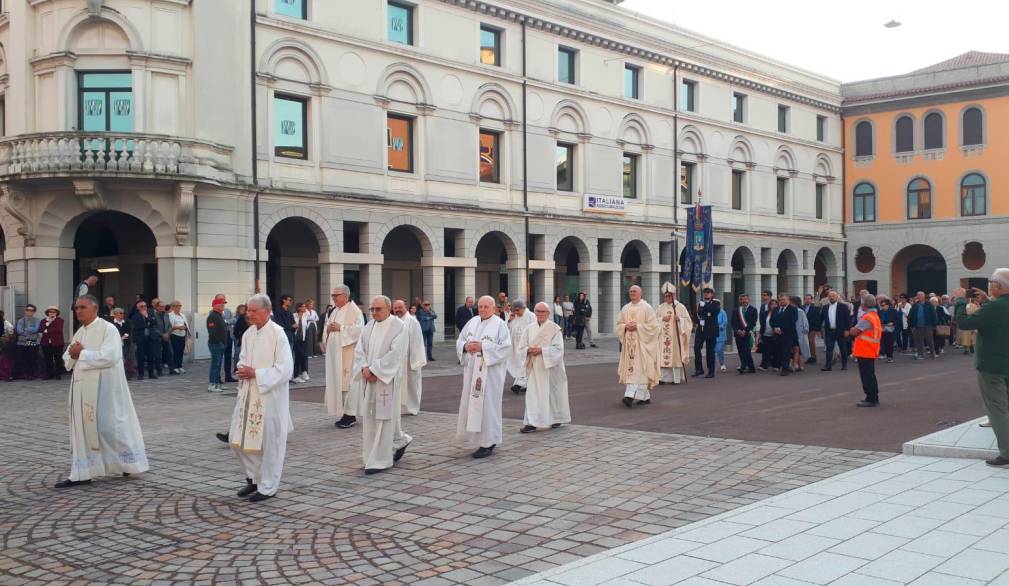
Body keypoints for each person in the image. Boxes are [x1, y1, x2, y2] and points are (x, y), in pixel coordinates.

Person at [55, 295, 148, 488]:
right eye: (76, 308)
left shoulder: (108, 329)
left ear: (95, 308)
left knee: (109, 427)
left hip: (105, 389)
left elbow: (111, 357)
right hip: (82, 388)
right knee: (83, 429)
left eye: (82, 307)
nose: (78, 311)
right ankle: (82, 472)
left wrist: (81, 354)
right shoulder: (80, 332)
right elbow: (68, 357)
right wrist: (75, 355)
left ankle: (127, 462)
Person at [230, 294, 294, 502]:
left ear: (266, 311)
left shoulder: (278, 334)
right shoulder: (249, 333)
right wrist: (241, 369)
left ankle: (268, 486)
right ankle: (254, 478)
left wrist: (256, 373)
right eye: (248, 310)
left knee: (269, 443)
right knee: (237, 440)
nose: (249, 314)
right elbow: (242, 358)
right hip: (248, 393)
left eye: (253, 311)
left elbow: (285, 369)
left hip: (270, 397)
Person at [351, 296, 412, 474]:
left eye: (378, 309)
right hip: (369, 379)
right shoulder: (368, 326)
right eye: (372, 309)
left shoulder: (399, 327)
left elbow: (396, 354)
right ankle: (381, 449)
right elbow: (359, 350)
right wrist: (364, 368)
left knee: (384, 419)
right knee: (371, 418)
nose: (375, 312)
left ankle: (381, 460)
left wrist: (375, 370)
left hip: (387, 380)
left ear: (389, 309)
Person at [953, 272, 1009, 467]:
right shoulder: (995, 306)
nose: (989, 286)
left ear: (999, 287)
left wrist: (960, 301)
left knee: (997, 409)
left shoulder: (994, 307)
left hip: (992, 365)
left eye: (991, 283)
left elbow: (964, 323)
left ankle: (1007, 453)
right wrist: (988, 302)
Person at [456, 295, 512, 458]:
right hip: (472, 372)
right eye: (480, 306)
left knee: (488, 407)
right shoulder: (472, 321)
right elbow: (460, 340)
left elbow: (506, 348)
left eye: (486, 307)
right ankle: (476, 438)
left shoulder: (500, 325)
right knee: (471, 403)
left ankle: (489, 441)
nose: (482, 309)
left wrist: (483, 347)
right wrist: (466, 346)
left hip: (490, 374)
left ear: (494, 308)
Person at [519, 302, 571, 433]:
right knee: (532, 395)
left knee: (552, 394)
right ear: (535, 313)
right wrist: (528, 350)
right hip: (534, 368)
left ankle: (555, 418)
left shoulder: (554, 329)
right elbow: (521, 347)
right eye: (538, 311)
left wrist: (542, 350)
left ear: (548, 313)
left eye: (543, 312)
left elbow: (559, 349)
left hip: (550, 368)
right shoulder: (529, 328)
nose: (540, 314)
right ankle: (531, 422)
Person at [323, 285, 365, 429]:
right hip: (335, 355)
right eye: (333, 295)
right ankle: (343, 412)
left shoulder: (355, 311)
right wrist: (328, 329)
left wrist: (340, 328)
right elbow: (327, 327)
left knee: (349, 384)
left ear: (345, 296)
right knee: (339, 383)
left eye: (336, 295)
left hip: (348, 354)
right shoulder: (334, 311)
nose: (333, 298)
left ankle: (350, 414)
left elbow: (360, 331)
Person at [616, 285, 659, 407]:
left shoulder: (647, 308)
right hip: (629, 346)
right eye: (630, 291)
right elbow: (619, 324)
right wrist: (625, 327)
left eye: (634, 291)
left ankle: (629, 396)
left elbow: (654, 326)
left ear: (640, 293)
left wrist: (638, 327)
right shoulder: (625, 308)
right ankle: (644, 396)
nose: (632, 293)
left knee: (639, 369)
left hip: (642, 345)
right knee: (636, 370)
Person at [393, 299, 427, 416]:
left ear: (405, 307)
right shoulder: (394, 321)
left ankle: (412, 408)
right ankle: (401, 407)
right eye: (395, 308)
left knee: (412, 384)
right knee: (399, 384)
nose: (397, 310)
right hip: (398, 359)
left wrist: (415, 361)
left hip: (410, 359)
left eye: (400, 307)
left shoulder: (412, 321)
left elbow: (417, 341)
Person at [849, 294, 882, 407]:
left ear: (863, 305)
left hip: (865, 350)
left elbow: (854, 331)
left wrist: (851, 329)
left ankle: (871, 398)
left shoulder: (867, 317)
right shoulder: (874, 316)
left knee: (866, 376)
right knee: (870, 375)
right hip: (871, 349)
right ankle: (873, 397)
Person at [656, 283, 692, 384]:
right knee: (663, 358)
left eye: (669, 296)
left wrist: (680, 320)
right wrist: (662, 319)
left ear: (673, 295)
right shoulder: (660, 307)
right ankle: (662, 378)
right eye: (665, 296)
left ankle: (675, 379)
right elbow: (654, 321)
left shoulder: (680, 307)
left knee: (675, 358)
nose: (667, 298)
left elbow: (688, 322)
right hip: (663, 338)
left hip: (676, 338)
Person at [506, 301, 536, 394]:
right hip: (515, 344)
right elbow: (505, 328)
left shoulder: (531, 316)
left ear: (523, 308)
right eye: (514, 310)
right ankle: (526, 384)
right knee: (518, 364)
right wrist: (509, 320)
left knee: (524, 364)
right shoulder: (513, 316)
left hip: (526, 345)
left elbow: (535, 329)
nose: (516, 312)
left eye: (517, 310)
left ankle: (518, 384)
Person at [692, 288, 721, 379]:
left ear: (712, 294)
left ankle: (711, 371)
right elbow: (695, 315)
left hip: (710, 329)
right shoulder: (699, 304)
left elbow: (715, 312)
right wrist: (699, 321)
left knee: (710, 351)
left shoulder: (716, 303)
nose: (706, 294)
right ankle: (699, 369)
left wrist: (705, 306)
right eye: (705, 293)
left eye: (708, 293)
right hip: (701, 329)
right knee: (696, 348)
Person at [821, 290, 852, 371]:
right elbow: (821, 319)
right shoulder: (825, 307)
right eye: (830, 296)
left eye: (833, 296)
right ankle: (828, 366)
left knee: (843, 348)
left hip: (841, 331)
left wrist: (847, 330)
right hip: (829, 331)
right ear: (828, 298)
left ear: (836, 297)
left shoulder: (843, 306)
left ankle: (844, 365)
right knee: (829, 349)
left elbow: (847, 319)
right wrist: (818, 329)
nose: (831, 298)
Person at [130, 299, 161, 380]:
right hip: (141, 339)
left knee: (151, 356)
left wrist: (147, 318)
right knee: (141, 357)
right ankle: (141, 374)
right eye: (141, 306)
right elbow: (138, 326)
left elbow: (154, 323)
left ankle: (151, 373)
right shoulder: (135, 316)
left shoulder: (150, 314)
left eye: (145, 306)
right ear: (138, 308)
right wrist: (148, 323)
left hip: (150, 338)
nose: (144, 307)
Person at [12, 304, 42, 381]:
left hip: (31, 340)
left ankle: (30, 374)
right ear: (25, 311)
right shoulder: (21, 320)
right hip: (22, 341)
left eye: (31, 310)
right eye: (27, 310)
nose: (29, 312)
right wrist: (30, 330)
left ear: (34, 311)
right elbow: (19, 331)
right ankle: (19, 374)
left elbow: (36, 329)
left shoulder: (37, 320)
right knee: (20, 357)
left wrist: (27, 329)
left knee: (31, 357)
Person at [771, 294, 798, 376]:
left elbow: (792, 321)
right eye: (780, 300)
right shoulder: (776, 309)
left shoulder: (793, 309)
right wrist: (775, 328)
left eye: (783, 299)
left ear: (788, 300)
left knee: (786, 351)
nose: (782, 301)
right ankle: (784, 365)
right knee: (779, 351)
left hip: (788, 334)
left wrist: (781, 329)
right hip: (777, 334)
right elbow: (772, 320)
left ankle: (785, 368)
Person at [206, 295, 229, 392]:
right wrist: (219, 342)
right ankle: (212, 384)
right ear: (215, 305)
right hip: (215, 344)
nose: (223, 305)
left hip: (221, 344)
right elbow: (212, 332)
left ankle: (217, 383)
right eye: (221, 304)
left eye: (223, 304)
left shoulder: (219, 315)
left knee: (218, 364)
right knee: (215, 364)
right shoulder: (212, 316)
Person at [732, 293, 758, 374]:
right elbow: (733, 322)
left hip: (748, 334)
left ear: (748, 300)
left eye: (745, 299)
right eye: (742, 300)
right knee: (740, 351)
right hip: (738, 334)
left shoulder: (753, 309)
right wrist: (737, 330)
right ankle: (751, 367)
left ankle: (743, 367)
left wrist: (745, 330)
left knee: (746, 350)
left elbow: (753, 322)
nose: (744, 301)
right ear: (740, 301)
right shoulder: (736, 310)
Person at [909, 291, 937, 360]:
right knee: (918, 341)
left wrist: (934, 325)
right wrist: (911, 325)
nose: (919, 297)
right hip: (917, 326)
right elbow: (910, 316)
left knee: (929, 340)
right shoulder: (915, 305)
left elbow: (933, 315)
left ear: (924, 296)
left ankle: (932, 353)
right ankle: (920, 354)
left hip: (928, 325)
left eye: (921, 295)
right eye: (918, 295)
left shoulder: (929, 305)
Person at [40, 306, 66, 380]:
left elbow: (58, 329)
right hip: (46, 343)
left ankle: (58, 374)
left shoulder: (60, 320)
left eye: (54, 312)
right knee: (48, 359)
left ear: (56, 313)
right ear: (47, 313)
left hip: (57, 343)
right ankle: (49, 374)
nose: (52, 313)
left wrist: (47, 330)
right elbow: (41, 329)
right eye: (50, 311)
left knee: (58, 359)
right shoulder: (43, 321)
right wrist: (47, 328)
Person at [152, 299, 174, 374]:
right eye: (161, 306)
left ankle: (171, 370)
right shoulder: (153, 315)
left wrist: (167, 333)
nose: (163, 308)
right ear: (157, 307)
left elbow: (170, 326)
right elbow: (154, 327)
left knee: (170, 353)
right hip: (158, 337)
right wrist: (162, 335)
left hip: (167, 337)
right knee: (158, 355)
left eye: (164, 306)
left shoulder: (166, 314)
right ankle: (159, 371)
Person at [110, 308, 132, 378]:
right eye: (120, 313)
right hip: (115, 344)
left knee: (125, 359)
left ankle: (125, 374)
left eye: (123, 313)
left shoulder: (127, 322)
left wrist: (124, 336)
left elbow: (129, 331)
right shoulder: (111, 323)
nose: (122, 315)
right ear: (115, 314)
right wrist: (119, 338)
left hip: (125, 343)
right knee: (117, 359)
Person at [167, 301, 188, 374]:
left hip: (182, 334)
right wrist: (178, 327)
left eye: (180, 306)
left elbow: (185, 323)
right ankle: (175, 367)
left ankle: (180, 366)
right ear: (172, 307)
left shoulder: (182, 314)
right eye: (177, 306)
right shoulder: (170, 315)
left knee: (181, 351)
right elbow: (169, 326)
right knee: (175, 351)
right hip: (174, 335)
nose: (179, 307)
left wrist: (185, 327)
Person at [291, 302, 309, 383]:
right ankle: (300, 373)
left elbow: (305, 328)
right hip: (295, 339)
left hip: (303, 339)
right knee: (302, 356)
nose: (305, 308)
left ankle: (301, 373)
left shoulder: (305, 316)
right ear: (299, 308)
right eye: (303, 306)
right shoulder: (293, 316)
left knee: (300, 357)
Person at [878, 298, 900, 363]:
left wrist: (892, 323)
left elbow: (898, 320)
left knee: (889, 343)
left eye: (884, 305)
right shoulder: (880, 312)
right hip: (882, 328)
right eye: (881, 305)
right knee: (882, 343)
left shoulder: (893, 311)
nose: (883, 306)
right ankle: (883, 354)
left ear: (888, 305)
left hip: (890, 329)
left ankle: (890, 357)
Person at [757, 290, 775, 371]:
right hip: (765, 330)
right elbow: (761, 319)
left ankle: (772, 363)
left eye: (765, 295)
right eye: (762, 295)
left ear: (769, 296)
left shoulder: (774, 306)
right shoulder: (762, 306)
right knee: (765, 348)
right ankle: (765, 363)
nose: (763, 297)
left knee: (773, 348)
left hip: (774, 331)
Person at [792, 295, 810, 371]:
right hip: (793, 332)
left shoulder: (800, 311)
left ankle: (795, 364)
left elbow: (805, 322)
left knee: (797, 349)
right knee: (796, 349)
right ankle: (800, 365)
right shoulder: (790, 311)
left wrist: (805, 331)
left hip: (800, 333)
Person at [802, 294, 821, 364]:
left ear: (811, 300)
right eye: (806, 299)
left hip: (812, 327)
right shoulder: (802, 307)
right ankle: (808, 357)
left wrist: (817, 329)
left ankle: (813, 357)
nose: (807, 300)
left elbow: (817, 318)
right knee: (806, 343)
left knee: (811, 341)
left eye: (808, 299)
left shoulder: (815, 308)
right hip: (804, 328)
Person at [715, 305, 728, 372]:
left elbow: (725, 321)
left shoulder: (722, 312)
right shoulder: (712, 311)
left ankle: (722, 364)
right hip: (712, 334)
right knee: (712, 351)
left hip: (721, 334)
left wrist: (721, 326)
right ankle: (712, 366)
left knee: (719, 350)